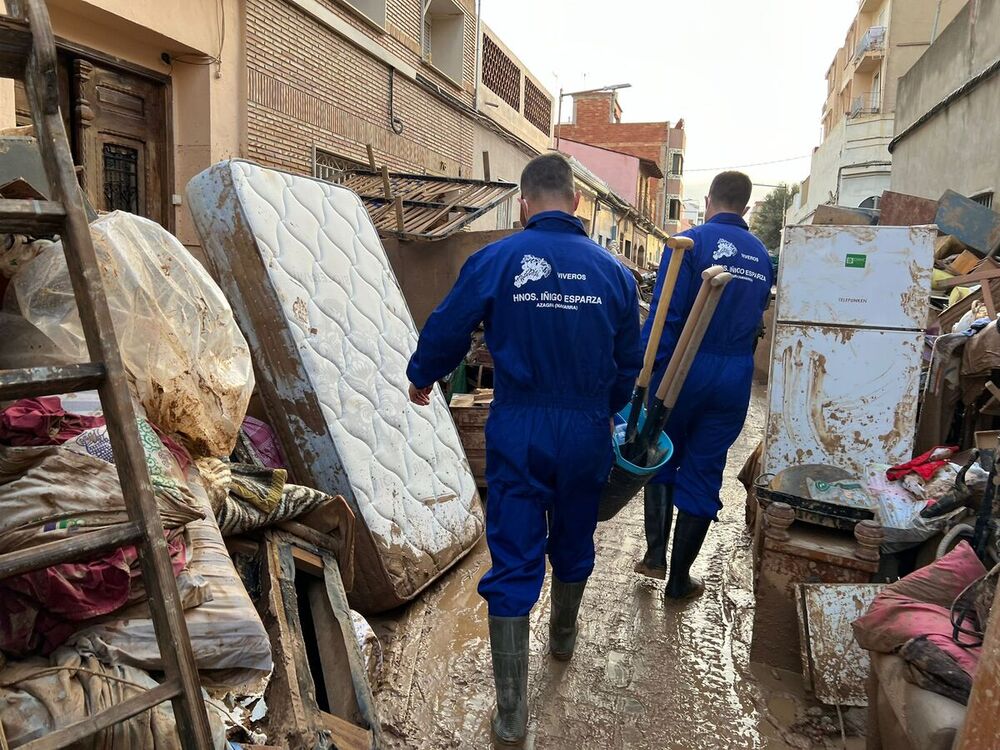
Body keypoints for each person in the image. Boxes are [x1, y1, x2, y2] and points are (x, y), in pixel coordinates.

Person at [406, 152, 642, 745]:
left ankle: (511, 715)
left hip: (519, 426)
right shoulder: (613, 274)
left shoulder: (498, 259)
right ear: (579, 202)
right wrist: (602, 410)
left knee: (513, 555)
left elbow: (448, 323)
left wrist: (423, 374)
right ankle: (563, 637)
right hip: (586, 428)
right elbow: (629, 364)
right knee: (574, 535)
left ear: (523, 202)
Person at [633, 171, 773, 600]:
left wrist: (642, 375)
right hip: (733, 374)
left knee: (657, 452)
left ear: (709, 199)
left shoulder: (688, 244)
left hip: (682, 370)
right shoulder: (763, 257)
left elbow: (665, 318)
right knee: (704, 467)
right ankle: (679, 581)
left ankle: (655, 555)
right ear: (746, 208)